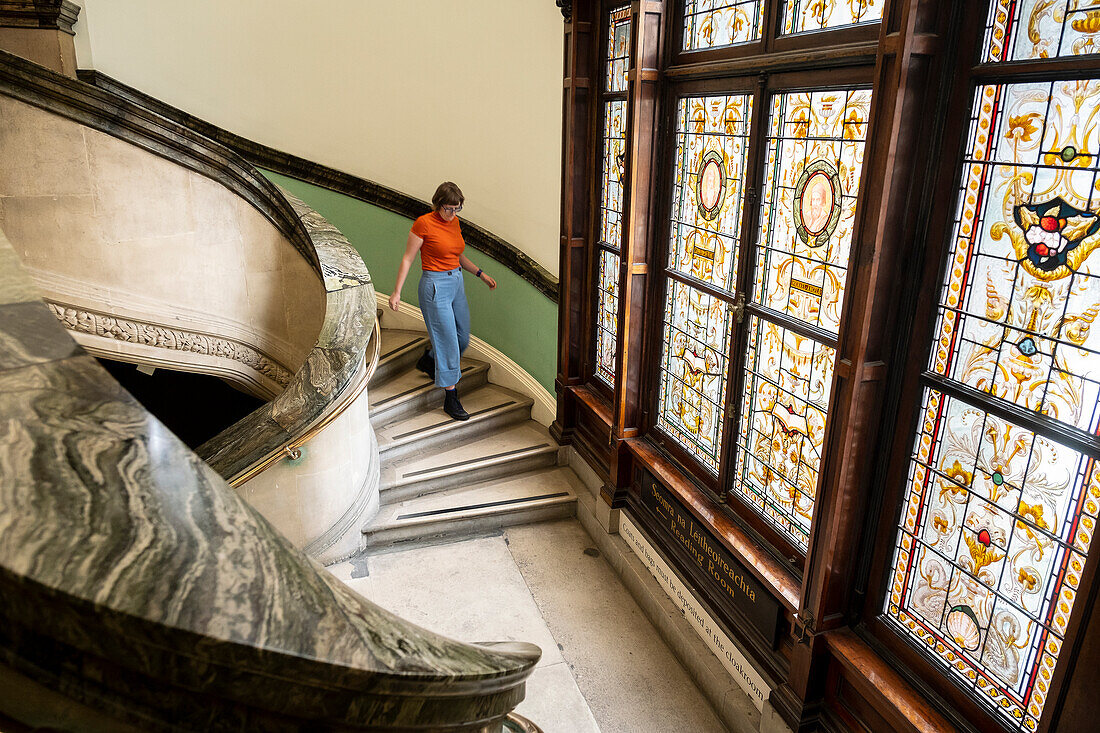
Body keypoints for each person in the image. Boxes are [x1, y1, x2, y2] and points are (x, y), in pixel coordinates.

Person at [389, 182, 497, 420]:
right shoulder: (423, 224)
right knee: (448, 341)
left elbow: (457, 255)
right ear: (437, 204)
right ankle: (451, 397)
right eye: (449, 208)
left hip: (456, 282)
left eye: (457, 209)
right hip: (434, 286)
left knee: (461, 337)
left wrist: (481, 274)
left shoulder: (455, 222)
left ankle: (429, 361)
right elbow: (408, 259)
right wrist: (396, 292)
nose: (452, 214)